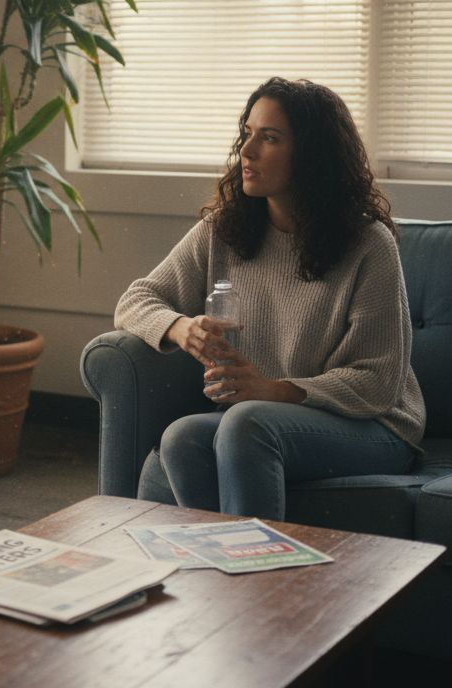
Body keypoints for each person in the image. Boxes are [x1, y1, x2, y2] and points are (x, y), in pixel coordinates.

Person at [114, 77, 424, 521]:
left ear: (312, 155)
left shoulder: (369, 244)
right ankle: (223, 577)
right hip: (261, 417)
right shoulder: (224, 231)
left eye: (270, 138)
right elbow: (136, 299)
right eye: (248, 134)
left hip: (372, 424)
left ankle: (265, 583)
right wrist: (184, 329)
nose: (247, 150)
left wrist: (274, 390)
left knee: (245, 423)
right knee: (182, 437)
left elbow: (376, 383)